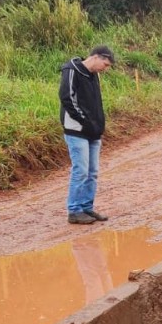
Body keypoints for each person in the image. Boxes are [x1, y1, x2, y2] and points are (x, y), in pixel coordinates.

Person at [59, 45, 114, 225]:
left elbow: (96, 103)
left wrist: (98, 125)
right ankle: (74, 211)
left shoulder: (94, 75)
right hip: (76, 130)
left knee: (92, 172)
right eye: (105, 64)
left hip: (93, 132)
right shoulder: (71, 70)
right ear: (96, 57)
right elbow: (67, 98)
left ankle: (86, 207)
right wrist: (85, 122)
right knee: (80, 171)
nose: (105, 69)